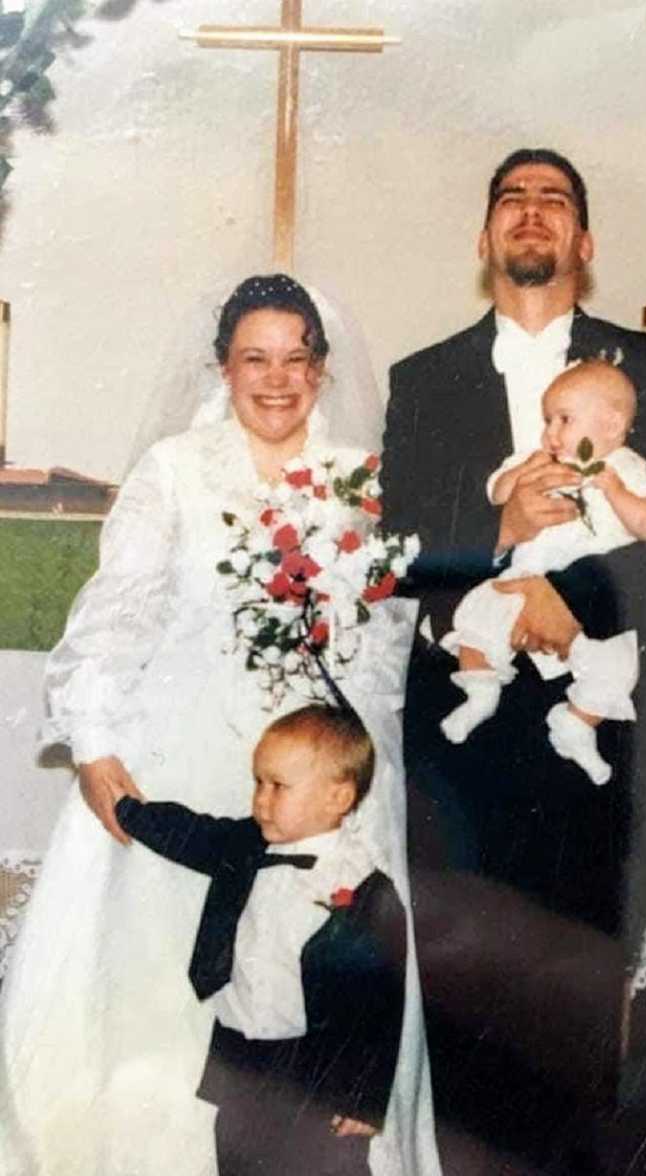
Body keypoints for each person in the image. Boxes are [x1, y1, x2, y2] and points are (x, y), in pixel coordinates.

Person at [0, 275, 440, 1176]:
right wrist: (92, 744)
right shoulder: (175, 470)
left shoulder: (361, 480)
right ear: (223, 367)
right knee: (169, 976)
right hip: (189, 749)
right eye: (254, 359)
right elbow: (116, 618)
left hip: (317, 767)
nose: (275, 381)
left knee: (327, 966)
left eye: (295, 359)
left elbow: (387, 634)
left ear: (321, 368)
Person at [382, 148, 646, 1166]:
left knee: (580, 989)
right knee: (462, 981)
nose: (532, 213)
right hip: (465, 725)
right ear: (485, 238)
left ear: (584, 243)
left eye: (554, 201)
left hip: (603, 722)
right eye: (512, 200)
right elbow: (398, 548)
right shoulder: (424, 378)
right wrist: (495, 543)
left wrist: (574, 603)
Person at [112, 705, 407, 1176]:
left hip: (317, 1073)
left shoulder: (364, 887)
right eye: (258, 783)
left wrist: (365, 1099)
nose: (261, 800)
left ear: (338, 797)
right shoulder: (246, 845)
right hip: (245, 1056)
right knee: (237, 1157)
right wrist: (128, 812)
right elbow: (193, 833)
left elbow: (382, 1005)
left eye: (278, 786)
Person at [440, 358, 646, 787]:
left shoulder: (627, 467)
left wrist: (615, 491)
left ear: (613, 425)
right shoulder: (540, 458)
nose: (551, 433)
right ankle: (480, 693)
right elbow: (496, 492)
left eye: (563, 419)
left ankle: (577, 726)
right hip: (520, 582)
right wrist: (521, 475)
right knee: (475, 620)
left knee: (616, 668)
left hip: (587, 607)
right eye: (548, 421)